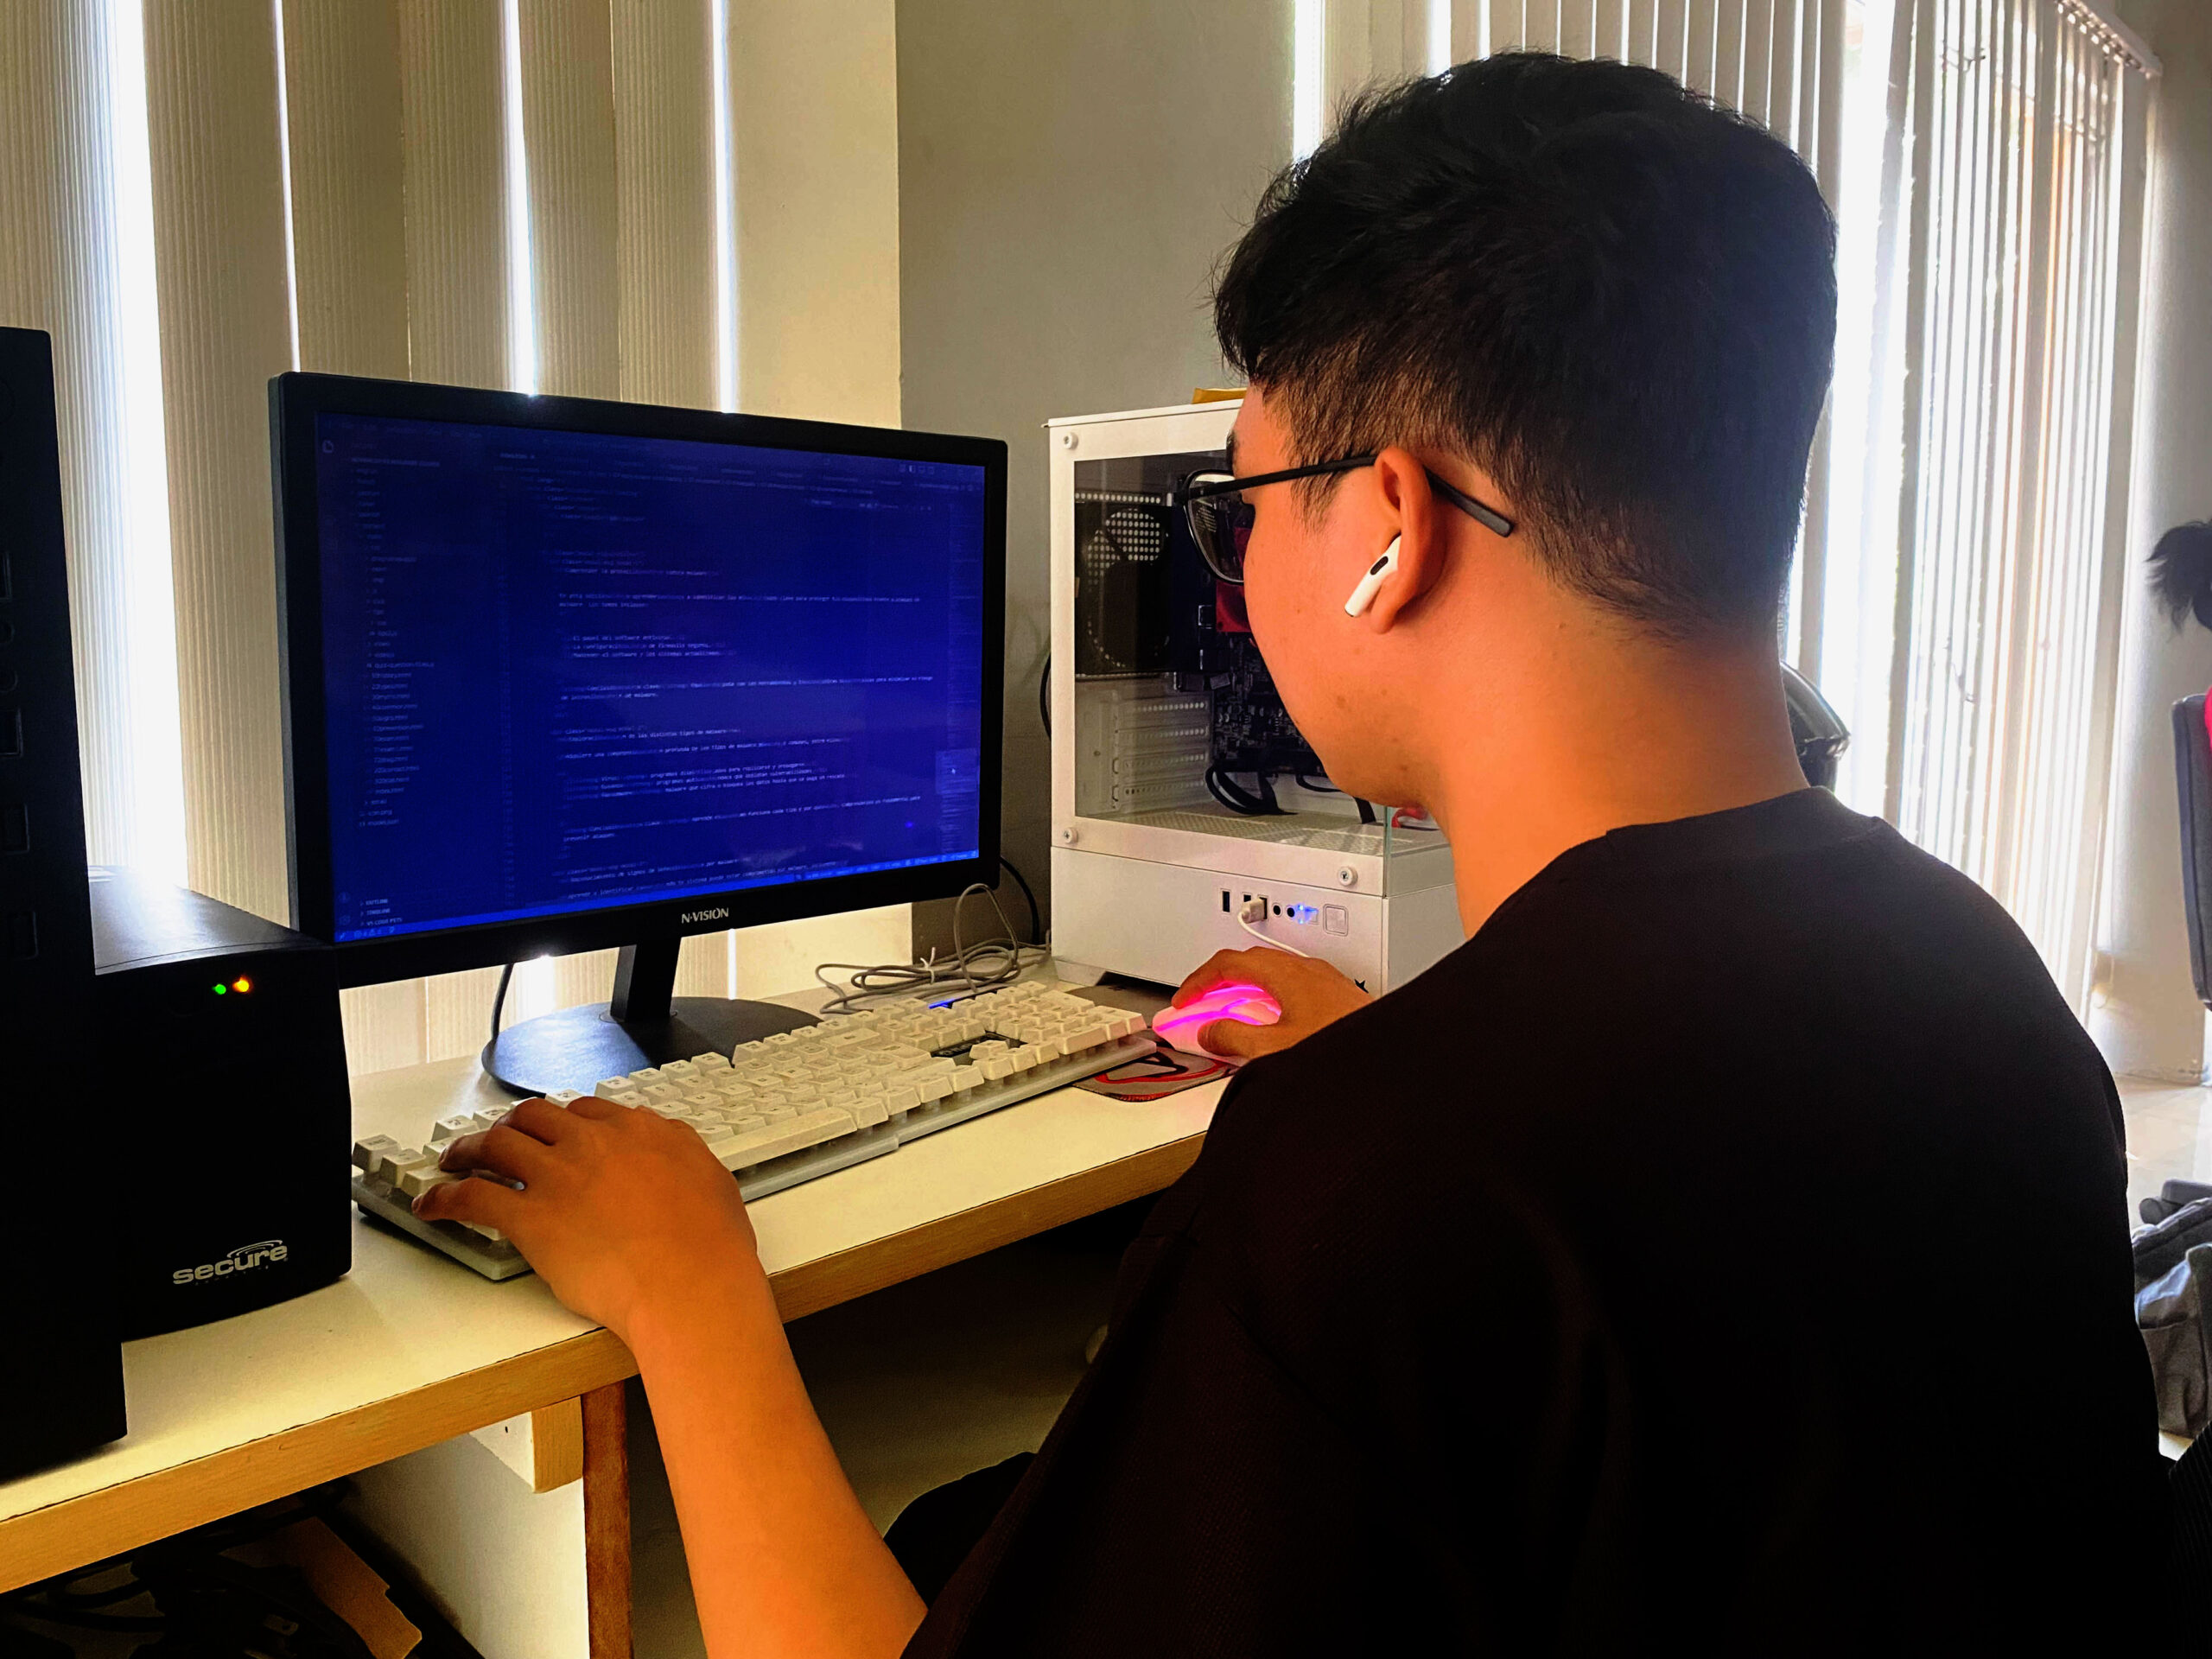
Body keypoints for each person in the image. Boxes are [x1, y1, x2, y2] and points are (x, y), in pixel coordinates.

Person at [416, 53, 2161, 1654]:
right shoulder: (1974, 980)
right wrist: (1386, 1080)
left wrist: (691, 1296)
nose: (1235, 569)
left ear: (1387, 529)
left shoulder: (1385, 1178)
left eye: (1239, 503)